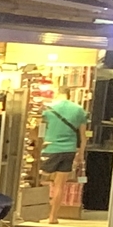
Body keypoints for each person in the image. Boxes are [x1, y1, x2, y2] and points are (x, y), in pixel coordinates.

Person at [41, 89, 87, 217]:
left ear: (57, 94)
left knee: (39, 181)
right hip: (69, 150)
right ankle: (53, 216)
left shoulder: (48, 109)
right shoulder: (79, 110)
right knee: (60, 185)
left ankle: (39, 211)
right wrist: (81, 154)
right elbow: (83, 137)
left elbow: (40, 130)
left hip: (48, 148)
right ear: (69, 95)